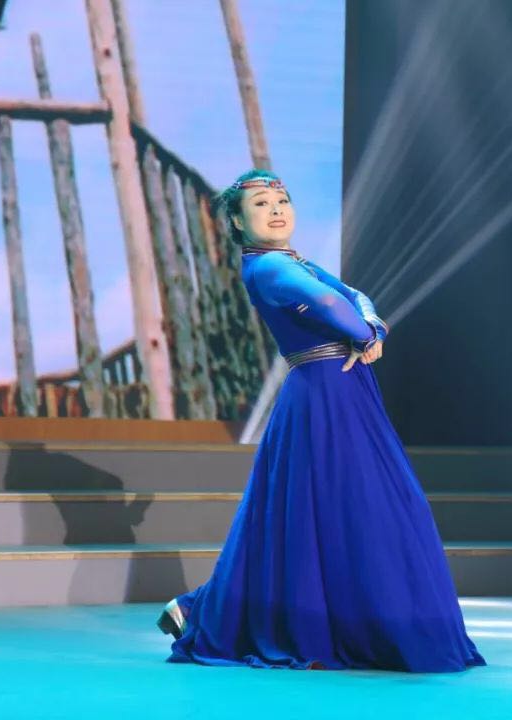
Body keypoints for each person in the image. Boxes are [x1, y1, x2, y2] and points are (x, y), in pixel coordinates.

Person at [158, 169, 484, 673]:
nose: (276, 210)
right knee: (358, 506)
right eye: (261, 204)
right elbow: (335, 304)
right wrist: (367, 334)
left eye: (282, 201)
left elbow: (356, 296)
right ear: (238, 223)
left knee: (327, 512)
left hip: (339, 389)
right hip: (324, 394)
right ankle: (213, 609)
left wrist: (370, 327)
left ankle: (198, 606)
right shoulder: (268, 267)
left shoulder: (294, 262)